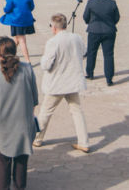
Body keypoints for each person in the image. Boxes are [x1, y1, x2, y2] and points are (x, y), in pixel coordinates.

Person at [33, 14, 89, 153]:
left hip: (57, 83)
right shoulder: (77, 38)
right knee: (77, 111)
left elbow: (46, 65)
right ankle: (84, 141)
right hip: (73, 81)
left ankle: (37, 138)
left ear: (54, 27)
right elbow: (84, 52)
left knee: (45, 112)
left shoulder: (53, 42)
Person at [0, 37, 38, 190]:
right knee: (21, 163)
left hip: (2, 127)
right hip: (23, 126)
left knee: (3, 164)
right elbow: (34, 99)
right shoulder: (28, 70)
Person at [83, 0, 120, 86]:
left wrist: (90, 23)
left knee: (91, 52)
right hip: (109, 30)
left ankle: (90, 73)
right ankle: (109, 78)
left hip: (94, 30)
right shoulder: (112, 3)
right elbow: (117, 18)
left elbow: (85, 17)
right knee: (108, 55)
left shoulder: (91, 2)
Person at [0, 0, 35, 64]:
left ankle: (27, 61)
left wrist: (4, 7)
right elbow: (32, 7)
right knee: (16, 39)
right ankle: (6, 55)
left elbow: (7, 9)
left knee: (21, 39)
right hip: (26, 19)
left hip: (17, 20)